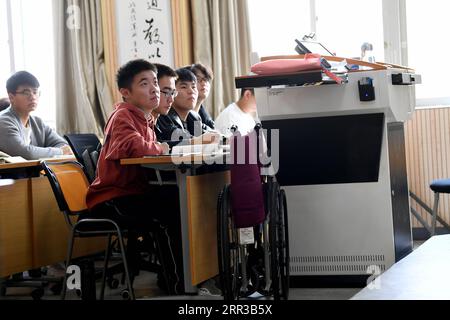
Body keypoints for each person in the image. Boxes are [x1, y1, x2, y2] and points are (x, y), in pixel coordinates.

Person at [85, 59, 184, 294]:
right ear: (125, 93)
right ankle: (178, 283)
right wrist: (160, 147)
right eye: (144, 83)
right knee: (174, 207)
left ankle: (186, 276)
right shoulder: (123, 116)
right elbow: (133, 146)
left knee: (181, 198)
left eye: (155, 83)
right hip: (114, 198)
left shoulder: (145, 119)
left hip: (132, 192)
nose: (154, 89)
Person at [0, 71, 72, 160]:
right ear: (11, 97)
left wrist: (60, 150)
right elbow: (26, 154)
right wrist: (60, 152)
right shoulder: (3, 121)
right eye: (26, 92)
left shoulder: (38, 122)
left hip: (36, 173)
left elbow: (64, 145)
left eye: (35, 91)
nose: (33, 96)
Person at [157, 68, 219, 144]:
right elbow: (178, 140)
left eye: (193, 87)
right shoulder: (163, 116)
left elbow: (210, 134)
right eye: (184, 87)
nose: (191, 91)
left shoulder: (194, 117)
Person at [187, 63, 215, 133]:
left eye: (206, 79)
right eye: (198, 79)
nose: (203, 83)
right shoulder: (183, 113)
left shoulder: (204, 114)